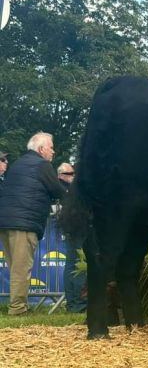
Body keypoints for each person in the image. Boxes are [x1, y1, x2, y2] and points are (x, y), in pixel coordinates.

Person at [0, 132, 66, 315]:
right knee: (21, 269)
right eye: (51, 147)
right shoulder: (42, 165)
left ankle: (17, 305)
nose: (53, 151)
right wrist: (75, 200)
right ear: (41, 149)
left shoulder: (18, 164)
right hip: (24, 223)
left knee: (15, 267)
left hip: (5, 222)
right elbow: (56, 190)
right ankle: (18, 309)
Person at [56, 162, 87, 313]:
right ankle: (78, 304)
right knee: (78, 264)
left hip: (71, 226)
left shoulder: (70, 187)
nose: (73, 176)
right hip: (79, 226)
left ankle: (73, 304)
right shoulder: (76, 186)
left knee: (72, 264)